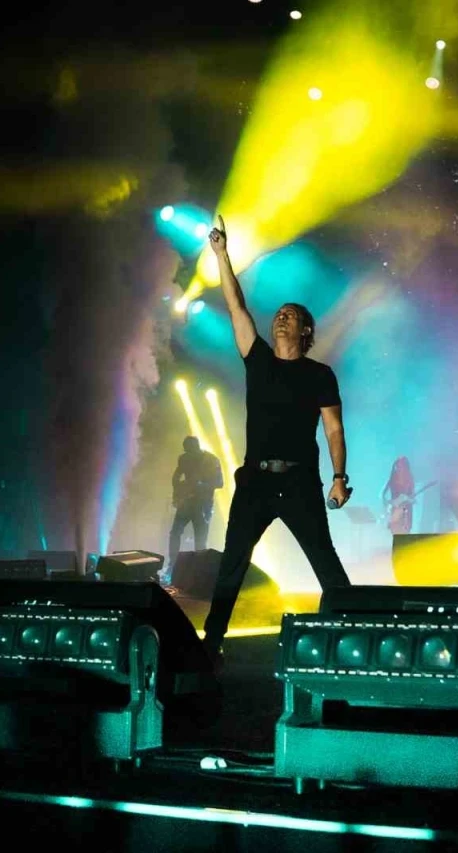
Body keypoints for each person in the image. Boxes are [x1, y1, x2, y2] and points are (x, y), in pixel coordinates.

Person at [201, 216, 352, 669]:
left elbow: (334, 429)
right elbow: (235, 306)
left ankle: (353, 628)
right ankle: (211, 641)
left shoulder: (320, 374)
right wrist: (222, 255)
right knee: (233, 561)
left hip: (300, 481)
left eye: (291, 315)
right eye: (279, 314)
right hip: (256, 481)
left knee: (324, 558)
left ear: (305, 331)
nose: (282, 317)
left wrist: (339, 476)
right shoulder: (259, 360)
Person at [168, 436, 223, 567]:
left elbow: (220, 483)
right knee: (175, 533)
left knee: (200, 540)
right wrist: (177, 494)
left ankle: (198, 567)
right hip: (186, 503)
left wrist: (200, 485)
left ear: (197, 447)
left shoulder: (211, 460)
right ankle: (172, 564)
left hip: (203, 505)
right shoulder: (184, 458)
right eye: (186, 451)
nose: (188, 453)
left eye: (190, 450)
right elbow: (176, 477)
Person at [382, 456, 416, 535]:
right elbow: (383, 494)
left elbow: (412, 496)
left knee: (404, 532)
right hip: (394, 509)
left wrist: (408, 499)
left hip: (406, 510)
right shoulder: (393, 477)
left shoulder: (409, 478)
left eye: (402, 466)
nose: (399, 468)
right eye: (398, 466)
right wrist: (389, 503)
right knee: (395, 530)